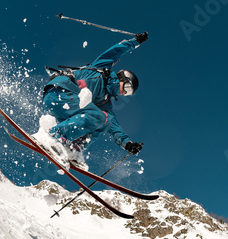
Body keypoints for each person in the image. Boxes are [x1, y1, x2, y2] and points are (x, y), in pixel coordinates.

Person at [36, 32, 149, 169]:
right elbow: (116, 51)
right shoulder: (101, 69)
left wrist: (128, 144)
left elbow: (115, 128)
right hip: (60, 92)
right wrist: (135, 42)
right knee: (100, 116)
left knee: (106, 120)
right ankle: (53, 136)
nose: (124, 92)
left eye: (128, 93)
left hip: (65, 108)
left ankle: (73, 147)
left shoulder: (104, 103)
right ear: (122, 78)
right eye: (127, 87)